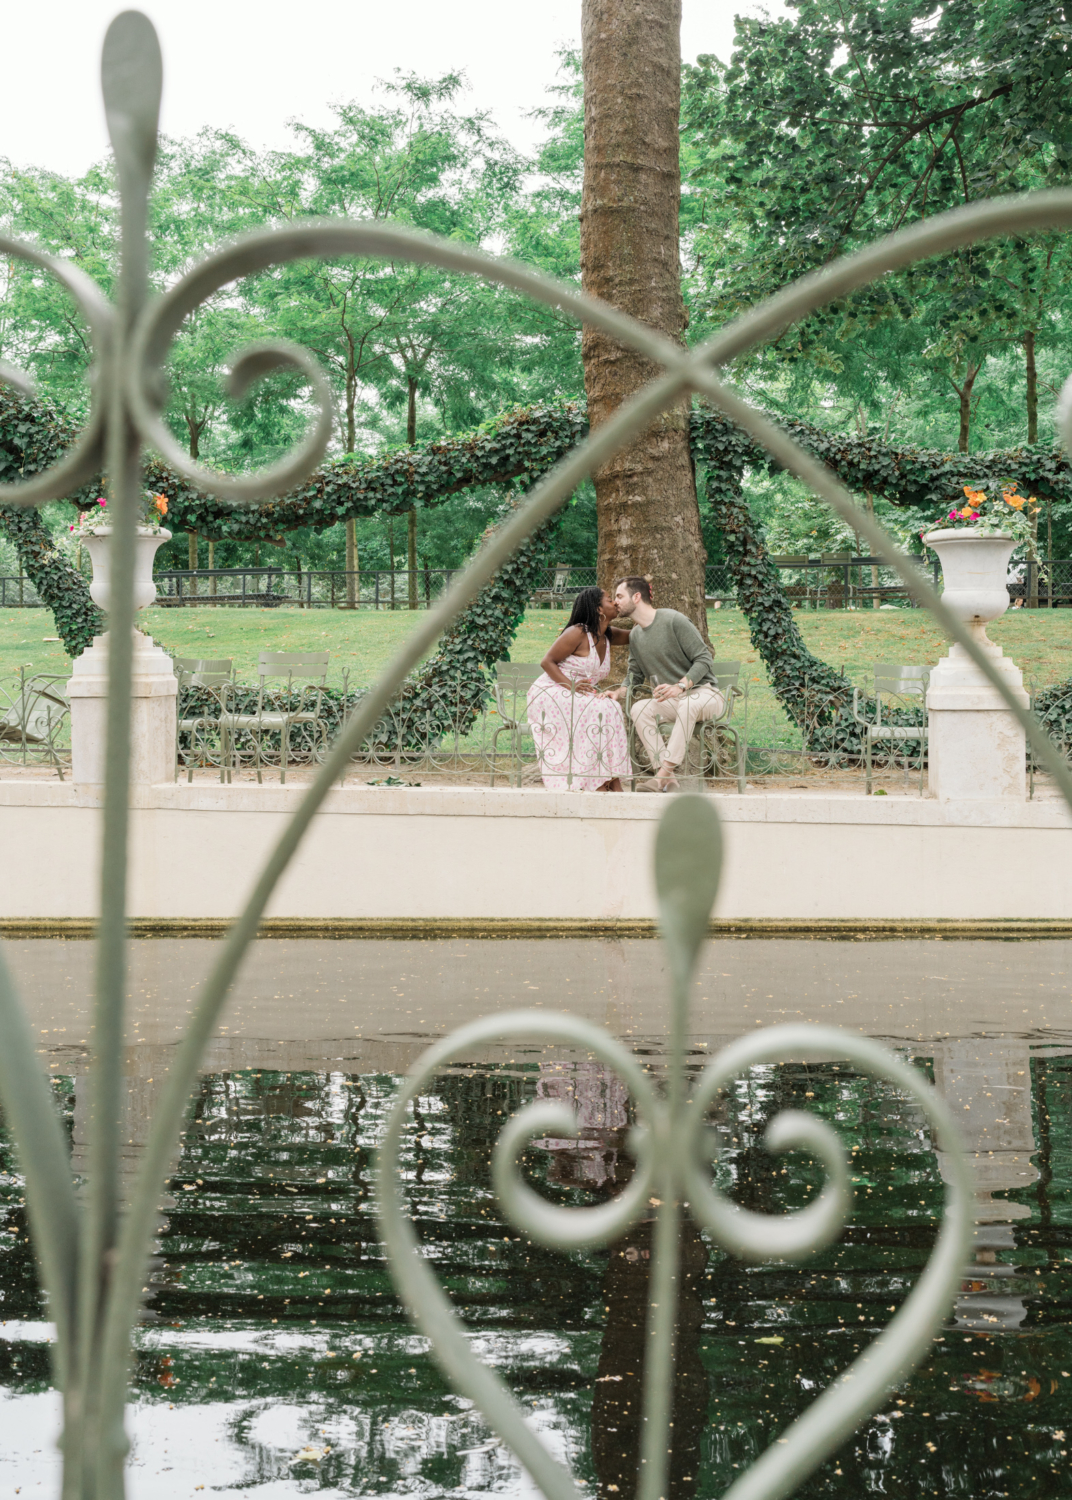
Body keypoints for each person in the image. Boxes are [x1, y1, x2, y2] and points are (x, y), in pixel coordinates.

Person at [604, 577, 723, 792]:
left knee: (689, 704)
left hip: (705, 695)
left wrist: (680, 686)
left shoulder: (673, 620)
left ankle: (662, 775)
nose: (615, 601)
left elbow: (704, 658)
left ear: (637, 597)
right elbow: (634, 676)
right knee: (639, 708)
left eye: (620, 596)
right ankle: (669, 780)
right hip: (675, 701)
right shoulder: (636, 637)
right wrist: (619, 693)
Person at [527, 586, 632, 791]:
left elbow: (639, 634)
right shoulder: (577, 632)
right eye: (610, 600)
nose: (615, 603)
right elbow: (547, 662)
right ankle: (598, 782)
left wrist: (637, 604)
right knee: (596, 709)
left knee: (611, 707)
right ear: (599, 609)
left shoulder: (608, 636)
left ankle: (609, 778)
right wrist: (571, 685)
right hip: (552, 690)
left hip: (579, 695)